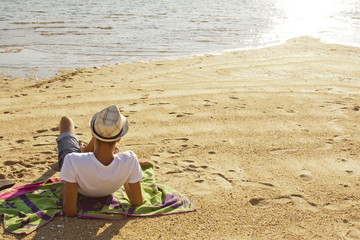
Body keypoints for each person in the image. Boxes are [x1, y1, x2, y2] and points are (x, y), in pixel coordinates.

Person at [56, 104, 143, 217]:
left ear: (92, 133)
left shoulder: (71, 160)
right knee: (104, 150)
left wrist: (64, 190)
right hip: (90, 161)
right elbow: (137, 202)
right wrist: (126, 175)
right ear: (119, 139)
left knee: (66, 120)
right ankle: (86, 149)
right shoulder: (129, 160)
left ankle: (86, 148)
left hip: (77, 163)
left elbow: (70, 211)